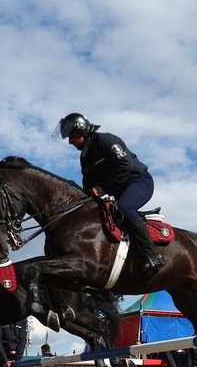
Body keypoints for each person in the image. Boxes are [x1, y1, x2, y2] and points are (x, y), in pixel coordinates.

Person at [57, 112, 164, 276]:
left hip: (139, 182)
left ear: (81, 132)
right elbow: (88, 184)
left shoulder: (107, 141)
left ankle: (152, 255)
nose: (70, 142)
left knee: (125, 207)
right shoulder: (85, 157)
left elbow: (125, 166)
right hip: (119, 190)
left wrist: (102, 188)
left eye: (70, 137)